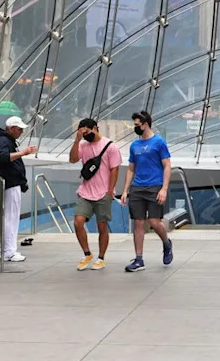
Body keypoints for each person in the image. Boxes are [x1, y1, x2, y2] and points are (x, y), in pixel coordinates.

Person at [120, 111, 173, 272]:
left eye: (137, 125)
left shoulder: (159, 142)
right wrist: (125, 190)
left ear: (145, 124)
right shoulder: (134, 145)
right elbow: (131, 169)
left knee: (155, 222)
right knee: (138, 223)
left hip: (155, 186)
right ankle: (139, 259)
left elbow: (167, 166)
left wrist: (164, 189)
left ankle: (166, 243)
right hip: (138, 187)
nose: (135, 128)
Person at [69, 118, 122, 271]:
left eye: (87, 131)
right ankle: (87, 254)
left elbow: (114, 169)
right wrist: (77, 140)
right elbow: (73, 159)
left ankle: (101, 258)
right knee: (78, 222)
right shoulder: (83, 145)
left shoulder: (110, 146)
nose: (86, 135)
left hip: (103, 192)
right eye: (83, 133)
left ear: (95, 128)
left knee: (102, 226)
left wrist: (110, 190)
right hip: (85, 191)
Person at [0, 116, 36, 263]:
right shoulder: (4, 141)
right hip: (11, 183)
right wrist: (22, 153)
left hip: (11, 182)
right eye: (19, 129)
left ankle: (4, 249)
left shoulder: (5, 140)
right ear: (11, 129)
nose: (21, 132)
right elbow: (1, 158)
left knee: (8, 218)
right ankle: (9, 252)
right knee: (11, 218)